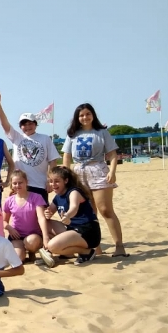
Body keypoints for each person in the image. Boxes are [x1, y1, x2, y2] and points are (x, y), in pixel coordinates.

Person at [62, 103, 127, 257]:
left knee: (105, 209)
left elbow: (112, 154)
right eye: (81, 115)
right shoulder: (72, 134)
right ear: (77, 118)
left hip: (98, 170)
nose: (85, 117)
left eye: (88, 114)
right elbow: (67, 156)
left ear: (93, 115)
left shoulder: (102, 132)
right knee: (89, 212)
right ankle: (96, 247)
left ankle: (119, 246)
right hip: (79, 173)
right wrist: (67, 175)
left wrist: (112, 171)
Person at [0, 90, 59, 201]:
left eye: (30, 123)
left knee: (40, 216)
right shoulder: (16, 137)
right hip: (19, 185)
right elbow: (4, 124)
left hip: (40, 185)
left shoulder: (45, 138)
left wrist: (50, 180)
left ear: (35, 124)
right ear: (20, 126)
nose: (27, 126)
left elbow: (53, 161)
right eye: (24, 124)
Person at [39, 166, 102, 267]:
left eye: (57, 181)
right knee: (47, 224)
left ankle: (86, 252)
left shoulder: (74, 192)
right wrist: (47, 213)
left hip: (88, 231)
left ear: (66, 180)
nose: (53, 184)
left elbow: (74, 207)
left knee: (53, 246)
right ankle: (66, 253)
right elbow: (49, 211)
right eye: (51, 181)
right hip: (73, 229)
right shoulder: (58, 196)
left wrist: (67, 215)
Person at [3, 170, 48, 263]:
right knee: (18, 259)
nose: (17, 185)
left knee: (32, 242)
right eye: (15, 183)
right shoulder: (9, 200)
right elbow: (3, 221)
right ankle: (22, 251)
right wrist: (9, 228)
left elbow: (41, 218)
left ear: (26, 182)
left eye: (20, 183)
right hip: (16, 236)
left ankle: (32, 251)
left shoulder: (36, 197)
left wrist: (45, 237)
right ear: (11, 184)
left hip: (33, 236)